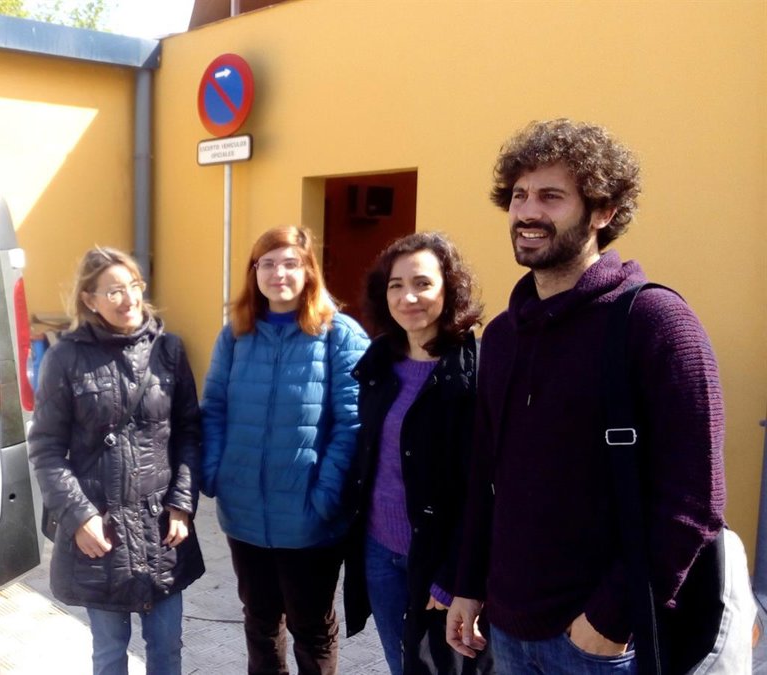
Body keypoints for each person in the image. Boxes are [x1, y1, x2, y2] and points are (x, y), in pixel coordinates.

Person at [445, 119, 736, 673]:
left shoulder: (657, 323)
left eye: (551, 197)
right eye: (519, 195)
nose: (528, 212)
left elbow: (694, 502)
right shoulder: (502, 335)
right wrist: (469, 585)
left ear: (603, 211)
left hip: (601, 644)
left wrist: (609, 619)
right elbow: (486, 477)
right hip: (506, 627)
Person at [28, 246, 205, 675]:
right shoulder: (65, 357)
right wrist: (79, 517)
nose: (128, 299)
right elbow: (46, 449)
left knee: (166, 649)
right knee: (109, 653)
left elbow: (189, 432)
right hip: (101, 533)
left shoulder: (168, 350)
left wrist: (182, 504)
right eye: (113, 291)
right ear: (89, 300)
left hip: (160, 528)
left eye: (133, 286)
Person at [201, 225, 368, 675]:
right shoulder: (235, 334)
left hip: (311, 520)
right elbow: (213, 408)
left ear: (309, 270)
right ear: (254, 272)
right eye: (268, 263)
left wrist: (325, 498)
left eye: (290, 263)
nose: (278, 273)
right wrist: (216, 475)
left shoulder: (340, 335)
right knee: (259, 621)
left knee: (311, 627)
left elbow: (352, 425)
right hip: (244, 515)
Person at [342, 232, 490, 675]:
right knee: (400, 661)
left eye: (423, 283)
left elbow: (485, 489)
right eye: (396, 285)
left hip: (439, 561)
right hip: (378, 552)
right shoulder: (379, 361)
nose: (408, 297)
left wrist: (455, 577)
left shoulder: (475, 370)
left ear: (450, 289)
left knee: (442, 667)